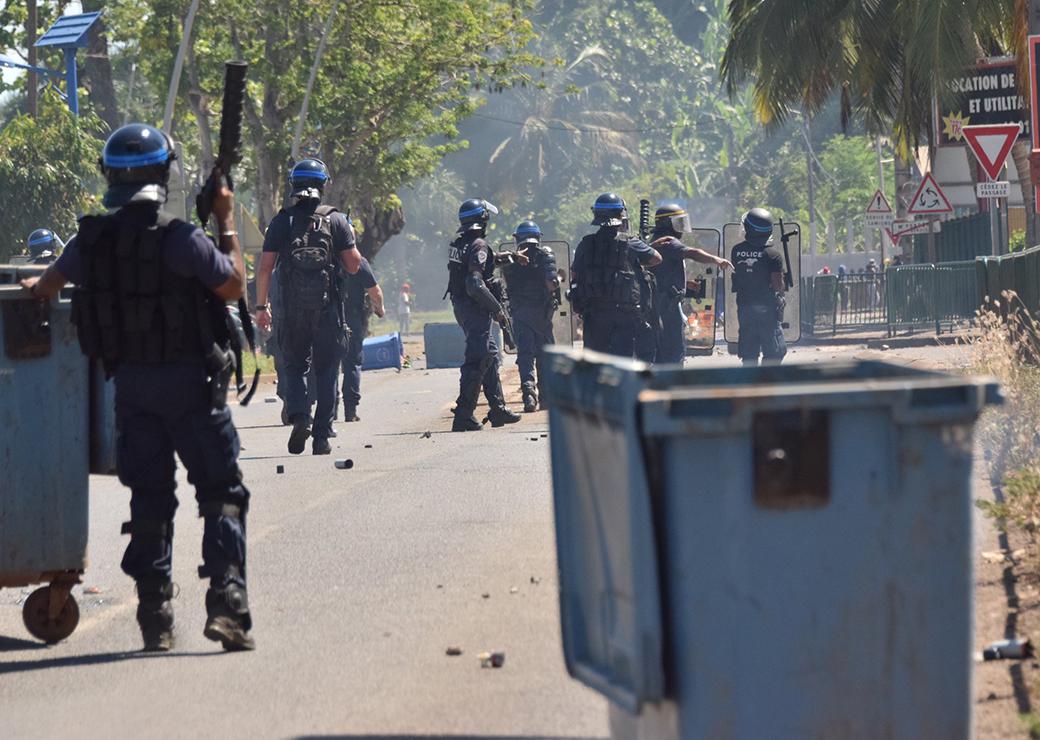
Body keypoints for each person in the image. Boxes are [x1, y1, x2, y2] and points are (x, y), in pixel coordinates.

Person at [20, 123, 255, 652]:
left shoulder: (90, 242)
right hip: (194, 390)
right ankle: (229, 607)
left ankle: (156, 619)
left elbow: (45, 287)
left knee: (150, 501)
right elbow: (235, 285)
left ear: (111, 178)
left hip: (133, 392)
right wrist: (226, 220)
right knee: (220, 497)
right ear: (162, 174)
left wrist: (31, 287)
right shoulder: (183, 238)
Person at [254, 158, 362, 455]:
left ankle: (301, 416)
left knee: (294, 366)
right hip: (328, 310)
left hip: (291, 310)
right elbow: (353, 266)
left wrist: (261, 307)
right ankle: (322, 436)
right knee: (327, 370)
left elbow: (265, 268)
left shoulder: (282, 220)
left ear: (294, 185)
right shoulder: (336, 220)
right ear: (323, 185)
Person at [446, 198, 522, 432]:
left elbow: (477, 263)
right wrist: (497, 310)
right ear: (483, 219)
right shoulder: (479, 244)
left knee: (488, 355)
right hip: (475, 308)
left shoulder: (461, 243)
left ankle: (497, 410)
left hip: (463, 307)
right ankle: (463, 414)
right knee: (477, 360)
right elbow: (475, 284)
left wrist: (509, 256)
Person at [570, 193, 661, 357]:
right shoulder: (630, 242)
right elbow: (656, 258)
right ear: (621, 214)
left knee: (594, 362)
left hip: (594, 314)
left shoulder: (585, 244)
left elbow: (575, 275)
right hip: (623, 315)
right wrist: (635, 263)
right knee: (622, 362)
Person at [647, 203, 732, 364]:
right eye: (678, 222)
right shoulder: (669, 242)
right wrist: (716, 260)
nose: (681, 227)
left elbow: (659, 274)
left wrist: (685, 283)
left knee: (661, 349)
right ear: (667, 224)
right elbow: (692, 253)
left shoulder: (656, 242)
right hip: (668, 305)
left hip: (658, 303)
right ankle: (673, 383)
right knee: (674, 349)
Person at [501, 220, 558, 412]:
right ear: (538, 238)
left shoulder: (510, 260)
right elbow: (552, 284)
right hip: (542, 315)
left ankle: (528, 394)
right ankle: (546, 398)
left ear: (518, 239)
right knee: (545, 356)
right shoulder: (546, 255)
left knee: (525, 355)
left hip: (520, 314)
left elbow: (507, 285)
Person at [730, 207, 787, 366]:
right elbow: (777, 285)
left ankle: (750, 384)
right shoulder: (773, 255)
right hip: (766, 308)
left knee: (749, 351)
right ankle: (766, 380)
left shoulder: (737, 250)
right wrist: (783, 284)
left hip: (744, 307)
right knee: (775, 350)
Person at [341, 255, 385, 422]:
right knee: (352, 362)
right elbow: (375, 291)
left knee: (326, 367)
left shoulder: (324, 258)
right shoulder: (357, 261)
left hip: (326, 319)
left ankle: (325, 411)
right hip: (352, 319)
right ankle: (350, 410)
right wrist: (380, 309)